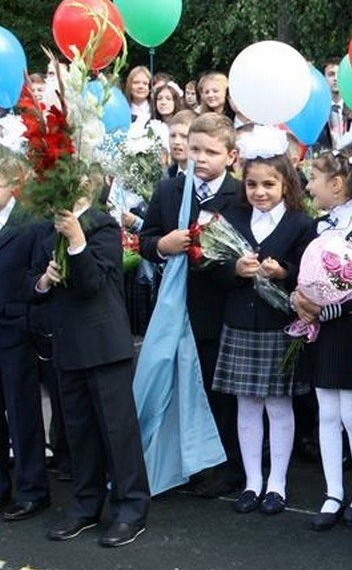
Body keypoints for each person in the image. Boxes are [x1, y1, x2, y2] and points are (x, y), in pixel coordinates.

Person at [31, 175, 151, 547]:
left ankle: (130, 508)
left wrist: (76, 241)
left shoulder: (102, 225)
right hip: (67, 344)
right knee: (79, 430)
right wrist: (44, 280)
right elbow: (32, 283)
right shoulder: (46, 227)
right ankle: (85, 504)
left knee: (117, 430)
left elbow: (93, 284)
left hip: (103, 345)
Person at [139, 112, 244, 497]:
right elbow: (146, 239)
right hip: (175, 307)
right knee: (179, 386)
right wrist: (162, 245)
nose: (200, 158)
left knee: (218, 391)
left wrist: (223, 263)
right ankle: (186, 461)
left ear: (231, 156)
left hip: (219, 310)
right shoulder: (169, 190)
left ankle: (225, 466)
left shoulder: (239, 194)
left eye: (210, 152)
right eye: (194, 149)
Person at [211, 131, 314, 515]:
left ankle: (277, 483)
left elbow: (308, 272)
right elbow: (213, 268)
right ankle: (253, 481)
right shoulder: (232, 217)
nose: (260, 192)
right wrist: (235, 270)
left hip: (279, 325)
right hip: (240, 322)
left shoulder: (301, 223)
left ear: (286, 183)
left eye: (269, 184)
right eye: (252, 184)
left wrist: (283, 271)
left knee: (279, 405)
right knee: (247, 405)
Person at [295, 149, 352, 530]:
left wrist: (326, 309)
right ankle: (333, 491)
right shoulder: (318, 226)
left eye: (314, 179)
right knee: (327, 413)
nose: (309, 186)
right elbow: (306, 273)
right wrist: (300, 301)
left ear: (336, 184)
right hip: (324, 332)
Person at [0, 157, 50, 522]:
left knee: (22, 410)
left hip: (15, 328)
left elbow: (37, 278)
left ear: (12, 184)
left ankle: (32, 489)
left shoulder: (31, 223)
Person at [165, 109, 197, 178]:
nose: (176, 141)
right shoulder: (167, 175)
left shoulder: (204, 178)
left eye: (184, 136)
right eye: (173, 136)